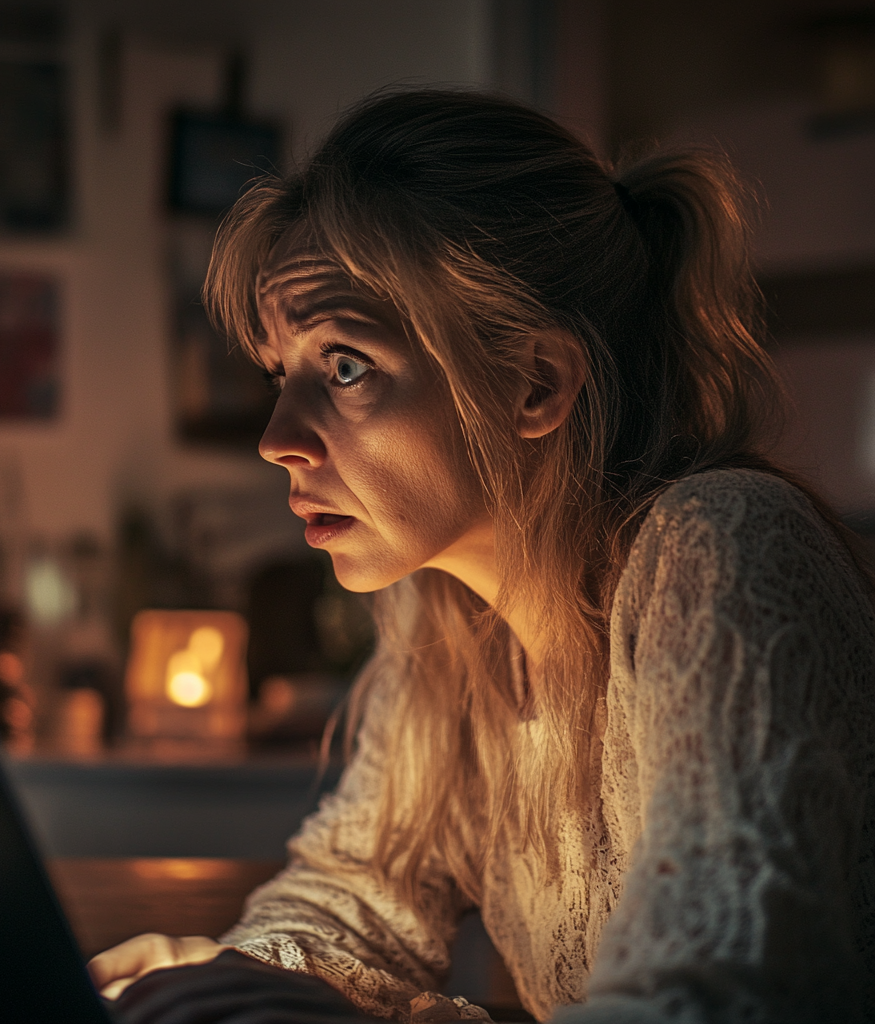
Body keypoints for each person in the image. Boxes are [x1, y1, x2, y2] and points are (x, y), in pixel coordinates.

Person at [90, 90, 875, 1023]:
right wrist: (235, 978)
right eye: (282, 374)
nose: (276, 438)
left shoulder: (717, 549)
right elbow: (354, 896)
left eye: (345, 365)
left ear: (534, 384)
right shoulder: (448, 619)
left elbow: (719, 996)